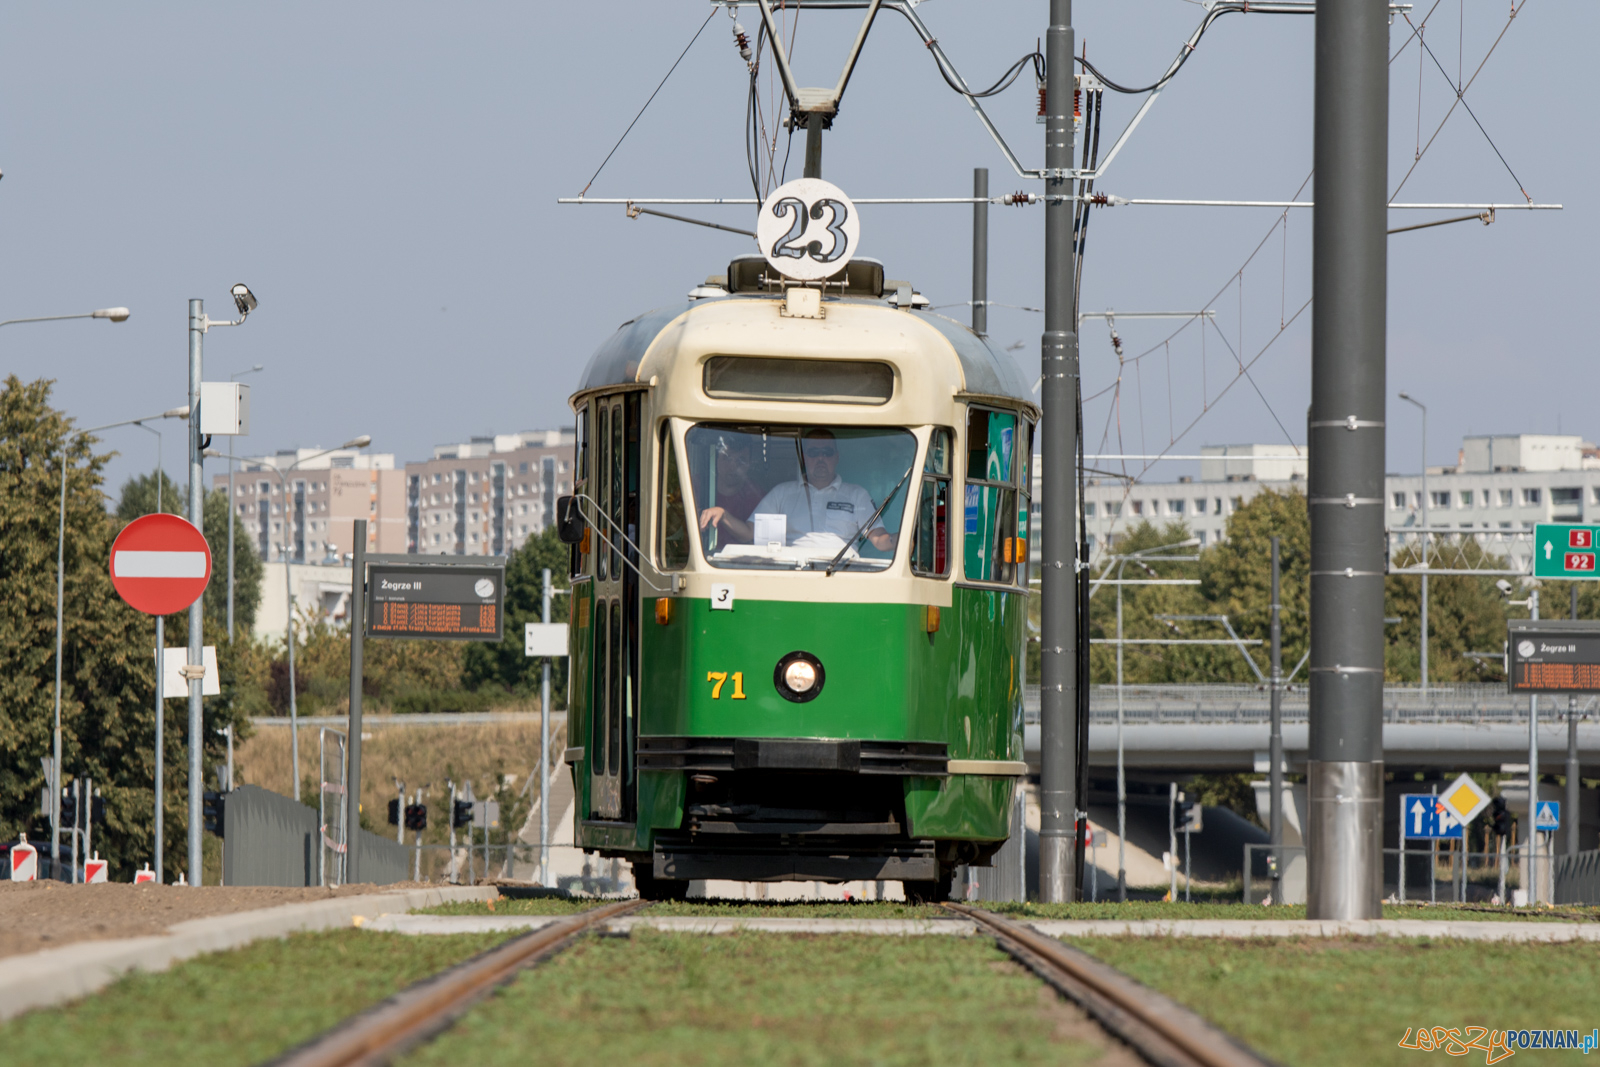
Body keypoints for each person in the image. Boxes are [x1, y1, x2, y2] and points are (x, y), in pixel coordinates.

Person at [699, 429, 895, 551]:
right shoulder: (782, 493)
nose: (820, 458)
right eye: (813, 452)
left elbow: (879, 540)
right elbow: (748, 533)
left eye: (826, 453)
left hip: (844, 576)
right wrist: (722, 514)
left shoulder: (857, 494)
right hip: (791, 579)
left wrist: (903, 541)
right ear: (803, 458)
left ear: (836, 457)